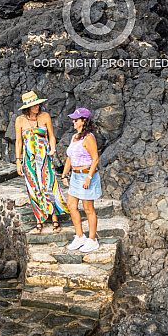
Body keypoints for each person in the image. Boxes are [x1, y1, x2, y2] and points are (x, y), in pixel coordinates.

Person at [15, 91, 68, 234]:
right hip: (29, 160)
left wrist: (53, 149)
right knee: (33, 188)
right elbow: (19, 142)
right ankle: (39, 221)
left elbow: (51, 136)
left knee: (49, 185)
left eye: (38, 104)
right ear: (27, 107)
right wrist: (18, 162)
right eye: (34, 105)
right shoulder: (20, 120)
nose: (37, 106)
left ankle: (54, 218)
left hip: (45, 158)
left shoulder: (45, 117)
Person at [62, 108, 101, 253]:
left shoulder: (89, 138)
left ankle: (92, 240)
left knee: (88, 209)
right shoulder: (74, 137)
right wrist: (64, 175)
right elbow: (69, 157)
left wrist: (89, 177)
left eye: (76, 120)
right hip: (76, 176)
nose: (73, 122)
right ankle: (80, 236)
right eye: (73, 119)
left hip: (87, 175)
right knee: (71, 205)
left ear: (84, 121)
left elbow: (95, 159)